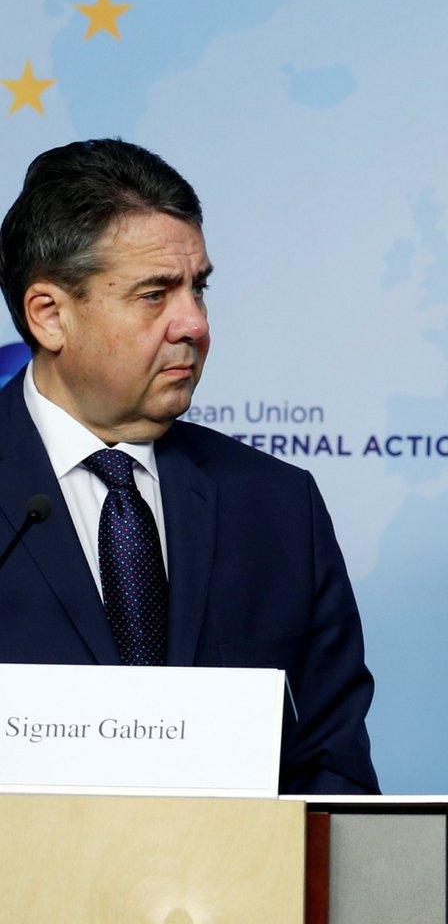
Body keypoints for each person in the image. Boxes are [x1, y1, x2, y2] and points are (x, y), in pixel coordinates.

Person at [0, 140, 377, 795]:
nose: (194, 323)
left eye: (197, 288)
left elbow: (332, 770)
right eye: (155, 295)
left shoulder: (279, 508)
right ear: (50, 315)